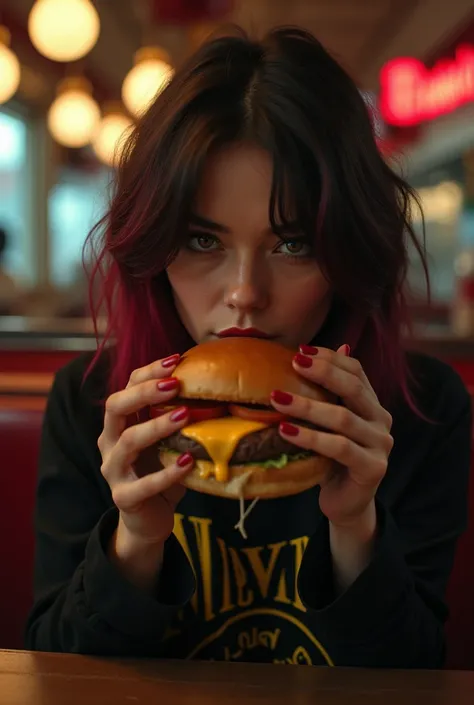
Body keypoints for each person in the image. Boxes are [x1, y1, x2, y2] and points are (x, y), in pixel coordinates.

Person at [25, 27, 471, 668]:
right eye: (203, 241)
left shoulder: (420, 410)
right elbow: (50, 669)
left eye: (294, 244)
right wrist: (136, 540)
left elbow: (418, 674)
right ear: (154, 250)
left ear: (349, 252)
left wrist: (355, 528)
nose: (243, 295)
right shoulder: (95, 402)